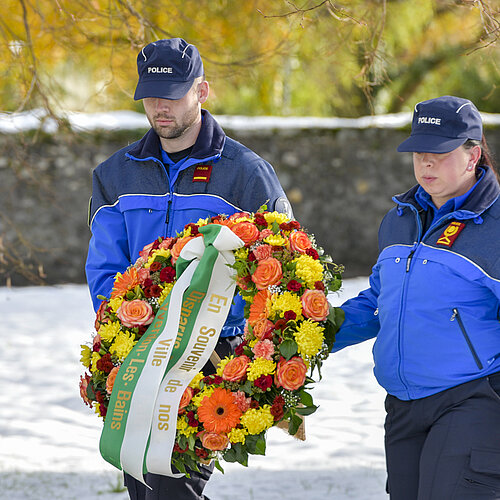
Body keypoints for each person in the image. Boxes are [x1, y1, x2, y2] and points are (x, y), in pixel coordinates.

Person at [85, 37, 292, 500]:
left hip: (212, 356)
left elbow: (278, 267)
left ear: (202, 91)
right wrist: (129, 328)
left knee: (172, 483)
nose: (161, 106)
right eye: (151, 96)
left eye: (174, 93)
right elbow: (105, 271)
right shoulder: (114, 175)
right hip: (139, 356)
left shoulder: (246, 173)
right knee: (143, 480)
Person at [332, 95, 500, 499]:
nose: (426, 163)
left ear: (472, 154)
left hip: (473, 400)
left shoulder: (494, 226)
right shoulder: (401, 219)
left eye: (439, 153)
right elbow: (379, 299)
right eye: (419, 152)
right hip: (403, 405)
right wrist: (314, 334)